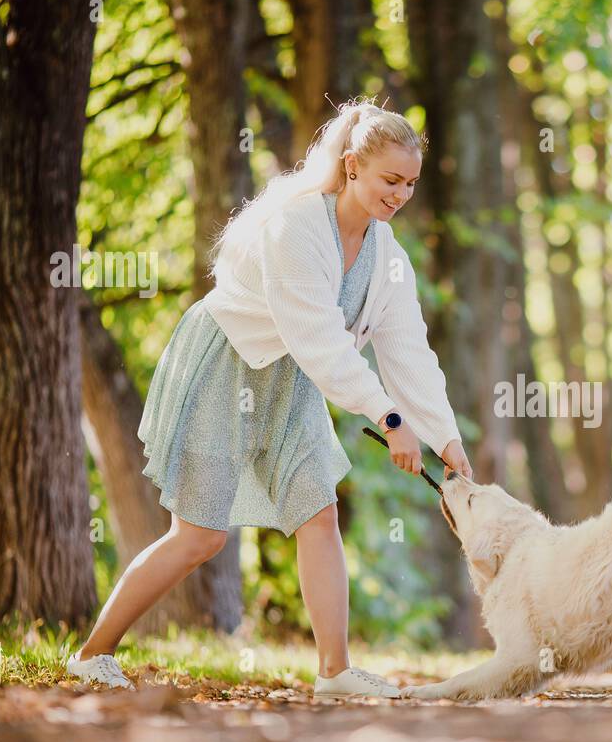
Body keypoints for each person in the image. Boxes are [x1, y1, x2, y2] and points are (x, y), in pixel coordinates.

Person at [65, 98, 472, 698]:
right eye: (391, 179)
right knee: (200, 536)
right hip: (227, 367)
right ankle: (92, 655)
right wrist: (388, 419)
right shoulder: (297, 227)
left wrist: (448, 441)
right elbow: (321, 342)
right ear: (353, 166)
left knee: (320, 513)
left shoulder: (390, 259)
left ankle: (334, 672)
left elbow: (409, 352)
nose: (400, 195)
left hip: (296, 382)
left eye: (410, 183)